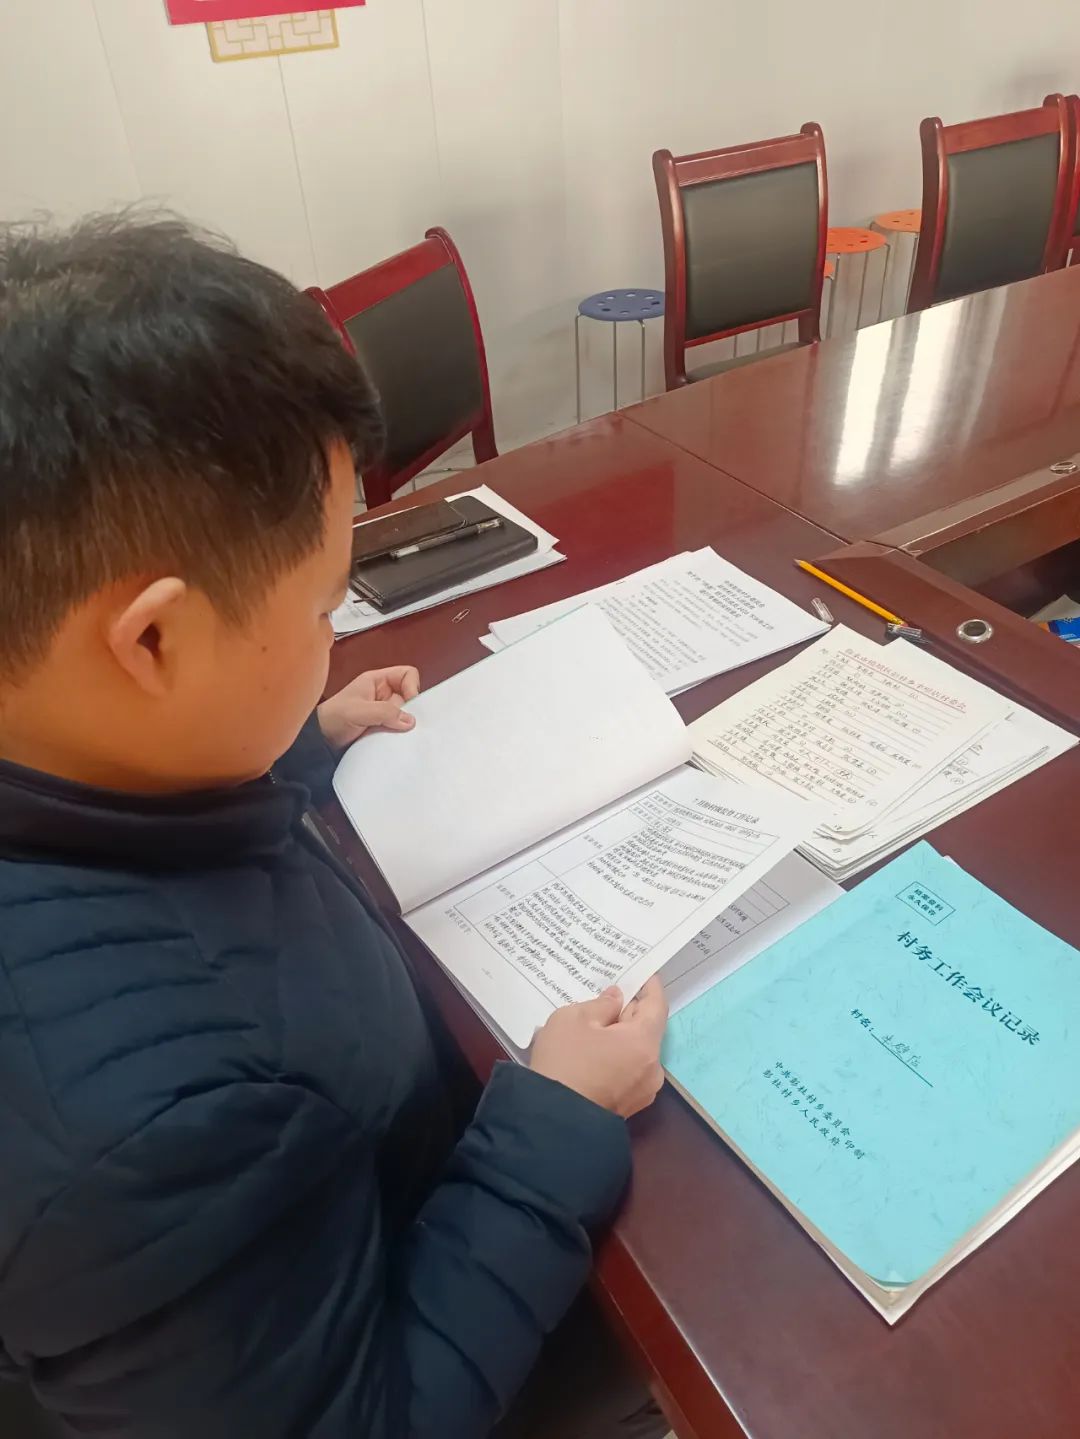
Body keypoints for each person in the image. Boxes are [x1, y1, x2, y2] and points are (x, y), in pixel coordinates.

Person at [0, 213, 671, 1439]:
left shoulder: (74, 761)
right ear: (154, 640)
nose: (332, 637)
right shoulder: (150, 1138)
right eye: (323, 608)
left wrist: (293, 746)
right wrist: (553, 1125)